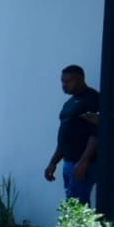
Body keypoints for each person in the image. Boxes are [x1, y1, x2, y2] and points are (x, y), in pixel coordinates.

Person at [45, 64, 100, 206]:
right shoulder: (69, 103)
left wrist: (83, 162)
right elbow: (65, 135)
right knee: (73, 205)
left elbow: (96, 134)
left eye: (68, 81)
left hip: (83, 164)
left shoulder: (92, 99)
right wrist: (53, 162)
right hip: (69, 163)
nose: (64, 85)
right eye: (62, 81)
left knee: (79, 208)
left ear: (80, 79)